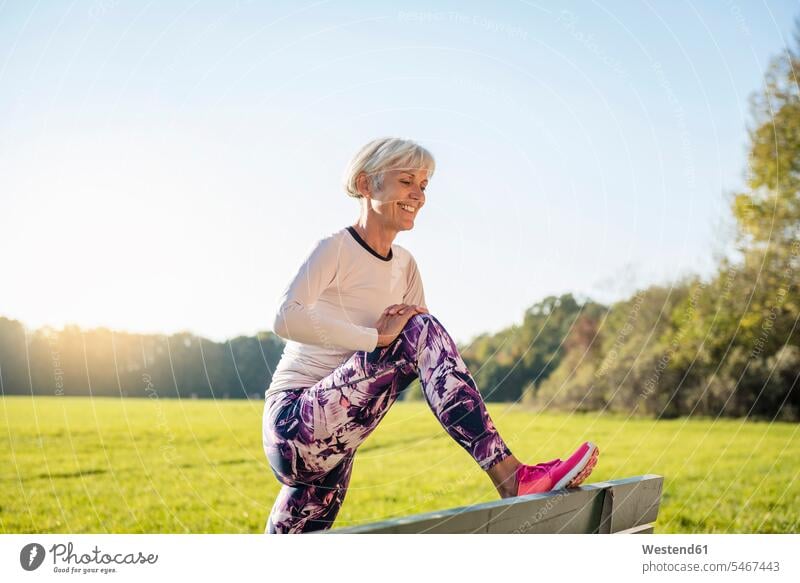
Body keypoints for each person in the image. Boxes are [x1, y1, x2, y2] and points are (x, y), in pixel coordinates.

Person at [262, 137, 599, 534]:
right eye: (407, 181)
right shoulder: (335, 249)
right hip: (294, 423)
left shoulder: (405, 267)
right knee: (420, 328)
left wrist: (393, 341)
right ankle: (511, 478)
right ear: (367, 184)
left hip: (338, 442)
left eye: (424, 185)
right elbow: (286, 318)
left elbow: (431, 363)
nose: (418, 195)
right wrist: (374, 339)